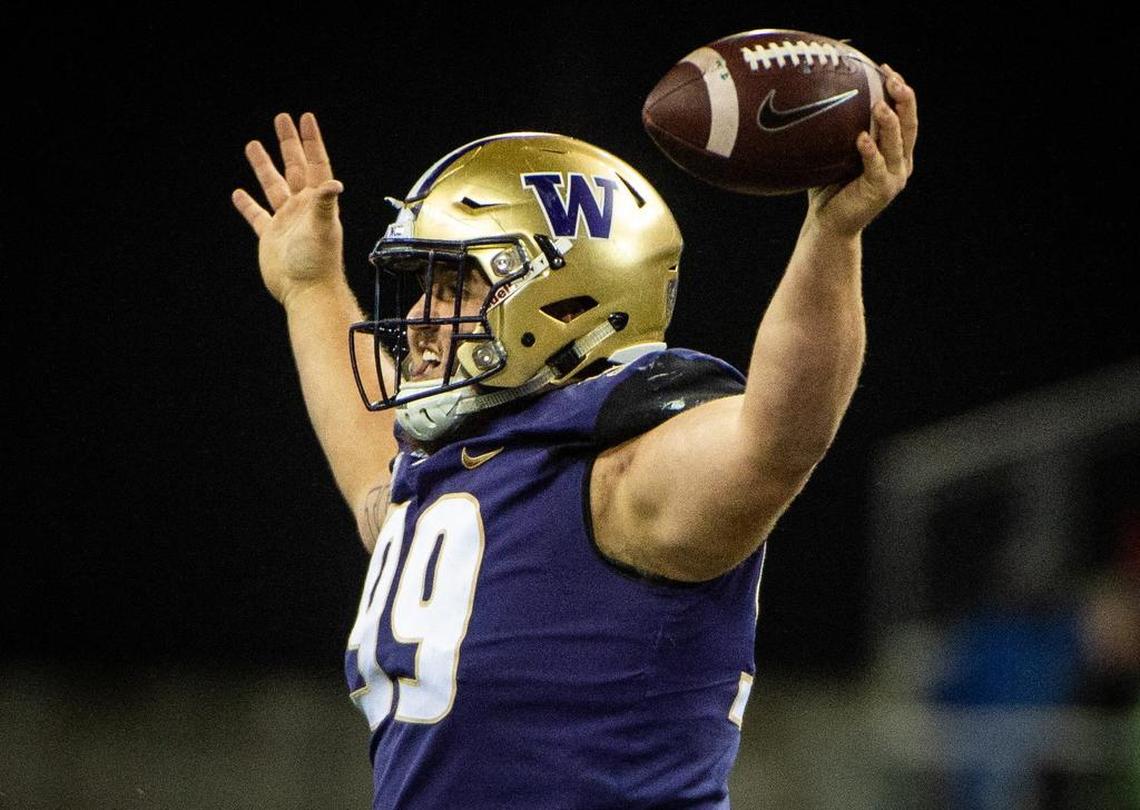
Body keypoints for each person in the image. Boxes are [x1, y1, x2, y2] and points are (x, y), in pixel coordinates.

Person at [231, 66, 917, 808]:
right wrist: (310, 287)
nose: (423, 317)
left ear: (561, 296)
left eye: (454, 286)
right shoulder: (460, 474)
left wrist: (832, 234)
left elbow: (777, 439)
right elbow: (377, 476)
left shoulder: (623, 470)